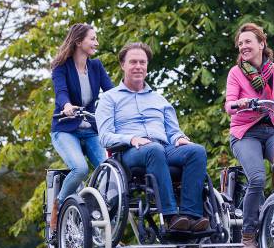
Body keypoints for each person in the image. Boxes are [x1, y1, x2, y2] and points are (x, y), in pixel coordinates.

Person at [95, 42, 209, 232]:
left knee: (196, 151)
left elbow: (173, 131)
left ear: (147, 66)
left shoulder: (159, 99)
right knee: (153, 150)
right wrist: (131, 139)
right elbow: (105, 137)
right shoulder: (109, 98)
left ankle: (191, 216)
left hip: (163, 148)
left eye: (142, 62)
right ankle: (171, 216)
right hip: (130, 153)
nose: (138, 66)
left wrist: (179, 138)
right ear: (123, 65)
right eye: (133, 62)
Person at [224, 23, 274, 248]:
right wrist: (241, 103)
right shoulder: (236, 73)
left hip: (273, 130)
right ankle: (247, 236)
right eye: (241, 43)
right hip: (245, 132)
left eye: (248, 42)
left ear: (261, 44)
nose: (243, 46)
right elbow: (229, 105)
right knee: (257, 178)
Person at [49, 23, 114, 232]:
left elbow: (111, 93)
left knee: (110, 170)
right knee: (80, 168)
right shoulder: (61, 67)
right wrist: (67, 106)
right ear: (79, 42)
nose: (96, 42)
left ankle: (97, 213)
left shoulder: (96, 66)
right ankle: (58, 206)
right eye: (92, 39)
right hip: (66, 129)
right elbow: (61, 92)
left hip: (91, 129)